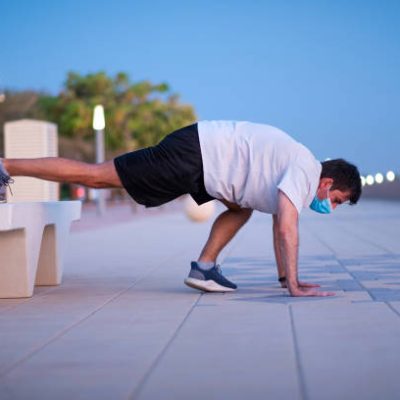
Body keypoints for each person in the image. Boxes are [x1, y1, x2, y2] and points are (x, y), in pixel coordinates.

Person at [0, 121, 361, 297]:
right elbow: (287, 228)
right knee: (98, 177)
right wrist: (297, 287)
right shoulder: (305, 170)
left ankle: (204, 268)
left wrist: (286, 280)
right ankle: (7, 165)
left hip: (202, 161)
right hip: (193, 155)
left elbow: (279, 222)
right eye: (336, 200)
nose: (329, 206)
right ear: (328, 184)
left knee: (241, 208)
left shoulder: (298, 170)